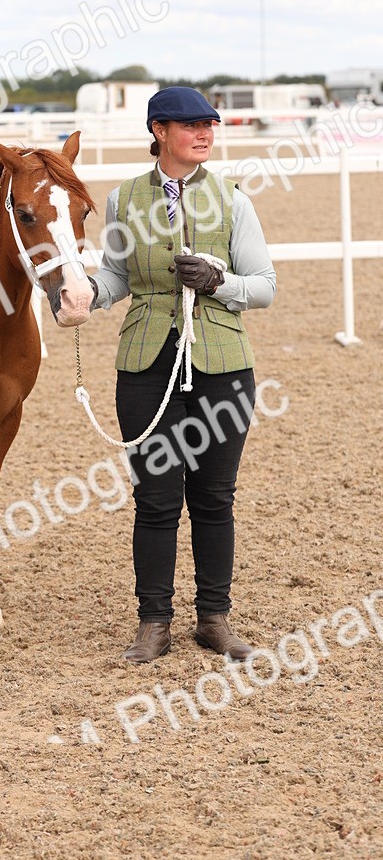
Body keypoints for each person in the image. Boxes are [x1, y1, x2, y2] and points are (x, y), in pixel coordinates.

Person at [89, 87, 276, 663]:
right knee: (155, 499)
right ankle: (154, 623)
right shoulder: (124, 201)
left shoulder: (232, 200)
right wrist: (87, 295)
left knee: (215, 498)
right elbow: (117, 276)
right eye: (192, 125)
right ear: (159, 130)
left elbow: (264, 285)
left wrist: (219, 284)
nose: (205, 134)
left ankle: (213, 620)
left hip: (222, 363)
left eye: (210, 125)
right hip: (146, 363)